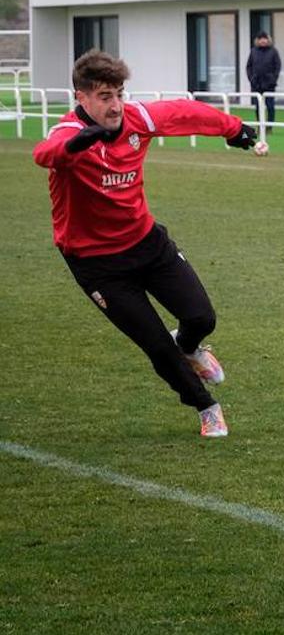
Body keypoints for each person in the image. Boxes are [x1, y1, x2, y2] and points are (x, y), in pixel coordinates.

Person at [32, 50, 260, 437]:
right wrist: (77, 144)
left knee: (201, 318)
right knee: (156, 344)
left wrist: (233, 129)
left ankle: (189, 346)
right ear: (81, 98)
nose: (116, 105)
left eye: (119, 93)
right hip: (96, 263)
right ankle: (207, 408)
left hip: (146, 243)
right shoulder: (69, 134)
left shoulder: (138, 119)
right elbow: (45, 153)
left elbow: (187, 112)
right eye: (105, 96)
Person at [246, 31, 281, 134]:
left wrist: (273, 79)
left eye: (264, 38)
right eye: (260, 38)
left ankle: (269, 127)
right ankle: (260, 126)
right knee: (258, 107)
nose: (263, 40)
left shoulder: (273, 51)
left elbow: (277, 66)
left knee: (270, 106)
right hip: (256, 84)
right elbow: (249, 67)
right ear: (257, 40)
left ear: (268, 39)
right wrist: (251, 79)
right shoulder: (253, 51)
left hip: (269, 84)